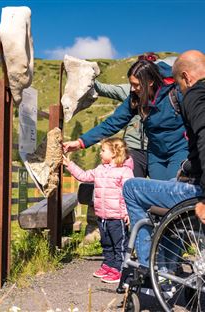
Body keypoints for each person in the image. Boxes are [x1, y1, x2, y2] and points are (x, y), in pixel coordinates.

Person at [122, 50, 205, 269]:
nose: (181, 89)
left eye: (181, 84)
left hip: (196, 189)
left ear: (186, 77)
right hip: (171, 164)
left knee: (131, 188)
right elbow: (114, 120)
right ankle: (167, 266)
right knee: (166, 198)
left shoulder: (194, 95)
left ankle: (151, 267)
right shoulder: (137, 100)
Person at [64, 59, 188, 181]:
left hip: (180, 150)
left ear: (150, 82)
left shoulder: (176, 93)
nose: (133, 89)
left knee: (174, 188)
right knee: (159, 190)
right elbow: (112, 123)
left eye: (136, 85)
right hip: (156, 154)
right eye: (131, 84)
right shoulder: (136, 98)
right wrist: (81, 142)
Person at [63, 137, 134, 283]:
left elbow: (129, 194)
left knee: (119, 244)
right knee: (106, 242)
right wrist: (69, 165)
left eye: (103, 150)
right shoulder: (100, 169)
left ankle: (119, 268)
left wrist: (127, 212)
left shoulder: (125, 171)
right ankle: (108, 264)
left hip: (117, 216)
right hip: (102, 215)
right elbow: (84, 176)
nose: (100, 153)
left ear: (114, 153)